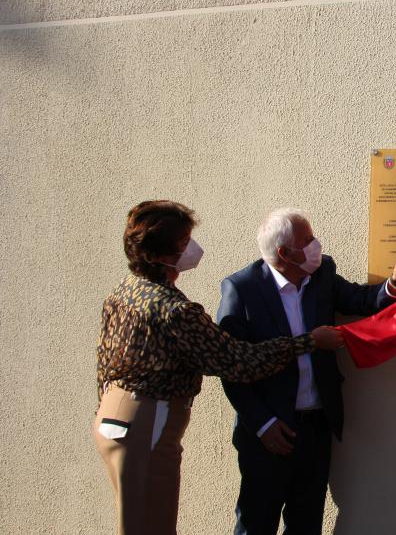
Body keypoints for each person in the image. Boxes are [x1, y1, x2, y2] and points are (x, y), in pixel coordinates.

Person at [94, 200, 344, 535]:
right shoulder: (175, 310)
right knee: (151, 523)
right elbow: (237, 361)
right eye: (184, 243)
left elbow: (105, 357)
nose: (193, 248)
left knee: (137, 519)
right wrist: (307, 342)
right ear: (162, 254)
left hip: (114, 415)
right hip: (149, 419)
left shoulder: (125, 291)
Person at [218, 207, 396, 535]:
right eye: (307, 240)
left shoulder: (322, 275)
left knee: (306, 523)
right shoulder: (243, 288)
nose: (316, 245)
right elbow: (230, 366)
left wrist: (393, 283)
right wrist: (263, 424)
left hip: (315, 427)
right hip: (269, 433)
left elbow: (361, 300)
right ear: (284, 253)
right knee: (256, 522)